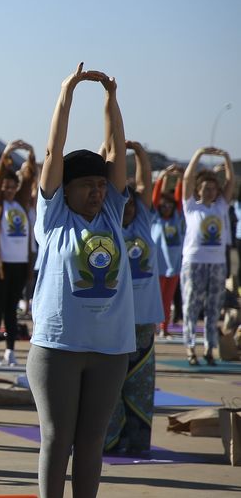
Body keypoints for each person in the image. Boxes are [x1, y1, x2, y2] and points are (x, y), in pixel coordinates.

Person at [29, 64, 133, 498]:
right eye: (86, 184)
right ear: (65, 189)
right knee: (58, 437)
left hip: (111, 347)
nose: (96, 189)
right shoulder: (52, 217)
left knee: (92, 443)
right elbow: (53, 152)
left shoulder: (112, 212)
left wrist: (111, 101)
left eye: (99, 183)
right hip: (57, 346)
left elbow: (117, 154)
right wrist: (67, 92)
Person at [105, 140, 164, 455]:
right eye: (123, 202)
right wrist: (107, 151)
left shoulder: (143, 220)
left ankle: (139, 441)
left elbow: (144, 186)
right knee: (113, 381)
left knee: (140, 381)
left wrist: (140, 153)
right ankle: (114, 439)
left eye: (132, 203)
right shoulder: (109, 224)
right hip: (117, 317)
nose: (128, 207)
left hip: (143, 318)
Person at [0, 139, 37, 367]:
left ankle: (10, 351)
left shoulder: (21, 204)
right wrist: (7, 153)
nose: (8, 189)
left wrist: (31, 154)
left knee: (12, 310)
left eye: (12, 186)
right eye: (5, 186)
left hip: (18, 264)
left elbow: (29, 180)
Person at [180, 145, 234, 365]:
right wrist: (198, 154)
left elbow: (231, 183)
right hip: (194, 262)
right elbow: (187, 179)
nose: (210, 191)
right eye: (205, 188)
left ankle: (209, 349)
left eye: (213, 188)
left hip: (217, 264)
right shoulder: (191, 206)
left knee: (213, 308)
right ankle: (190, 348)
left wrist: (227, 158)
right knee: (191, 305)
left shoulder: (221, 206)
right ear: (198, 190)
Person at [150, 166, 184, 338]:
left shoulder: (177, 217)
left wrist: (180, 179)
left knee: (167, 299)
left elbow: (180, 198)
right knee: (155, 299)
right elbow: (155, 198)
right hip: (157, 266)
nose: (166, 207)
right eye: (164, 205)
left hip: (174, 267)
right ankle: (153, 326)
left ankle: (164, 327)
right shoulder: (155, 217)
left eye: (169, 205)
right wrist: (162, 176)